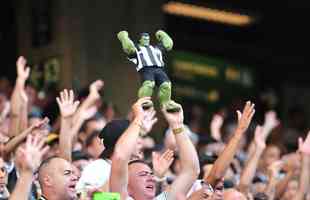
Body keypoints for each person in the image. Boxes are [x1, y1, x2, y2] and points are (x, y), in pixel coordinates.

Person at [110, 97, 200, 200]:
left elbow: (192, 170)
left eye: (151, 174)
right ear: (126, 185)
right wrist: (138, 118)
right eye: (143, 174)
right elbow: (120, 156)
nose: (151, 178)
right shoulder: (120, 196)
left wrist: (177, 125)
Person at [117, 30, 179, 111]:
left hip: (159, 69)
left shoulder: (155, 48)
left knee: (166, 85)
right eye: (144, 39)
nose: (146, 40)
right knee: (149, 84)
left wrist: (163, 35)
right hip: (146, 69)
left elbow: (168, 45)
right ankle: (144, 101)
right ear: (140, 40)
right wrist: (124, 37)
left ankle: (166, 103)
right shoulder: (137, 48)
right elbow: (129, 48)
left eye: (147, 39)